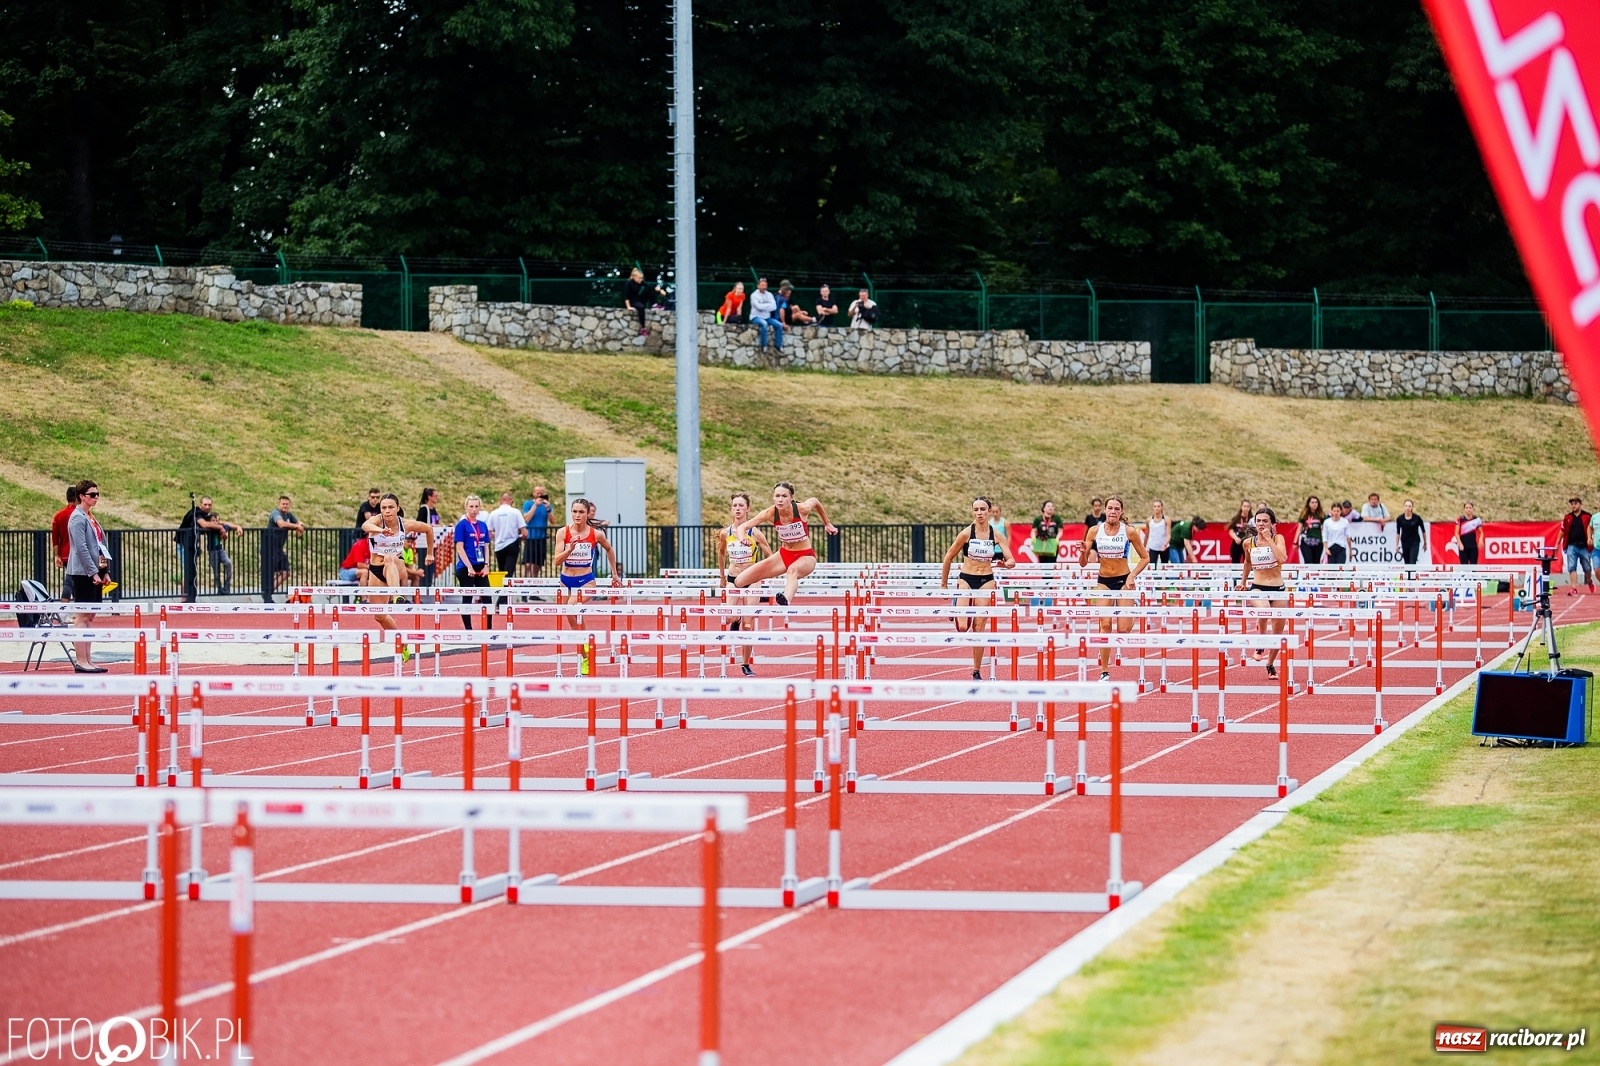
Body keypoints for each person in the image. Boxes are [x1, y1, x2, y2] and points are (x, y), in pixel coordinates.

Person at [940, 497, 1017, 679]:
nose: (979, 513)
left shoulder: (996, 535)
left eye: (983, 509)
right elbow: (948, 557)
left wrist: (1006, 564)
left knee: (979, 627)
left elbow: (1011, 560)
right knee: (962, 627)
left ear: (988, 511)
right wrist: (944, 585)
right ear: (972, 512)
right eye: (976, 510)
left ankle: (976, 670)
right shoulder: (966, 533)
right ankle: (957, 602)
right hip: (966, 578)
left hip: (986, 580)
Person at [733, 482, 838, 605]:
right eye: (777, 496)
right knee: (739, 581)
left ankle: (786, 599)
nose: (780, 500)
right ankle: (758, 596)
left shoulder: (802, 509)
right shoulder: (770, 513)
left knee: (792, 570)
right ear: (773, 497)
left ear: (791, 498)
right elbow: (743, 527)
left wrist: (827, 523)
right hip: (783, 556)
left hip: (805, 555)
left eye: (784, 496)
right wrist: (742, 538)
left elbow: (815, 501)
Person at [1081, 497, 1149, 681]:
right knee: (1105, 625)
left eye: (1116, 509)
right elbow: (1083, 563)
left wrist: (1132, 575)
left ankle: (1133, 605)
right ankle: (1104, 671)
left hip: (1123, 581)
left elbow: (1145, 558)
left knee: (1123, 630)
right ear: (1105, 510)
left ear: (1121, 512)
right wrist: (1082, 552)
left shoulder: (1129, 532)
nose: (1113, 511)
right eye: (1110, 508)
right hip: (1103, 581)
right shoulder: (1094, 531)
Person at [553, 498, 623, 673]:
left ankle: (586, 648)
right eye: (574, 511)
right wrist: (569, 550)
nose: (577, 515)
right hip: (566, 580)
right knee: (573, 620)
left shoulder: (596, 534)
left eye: (581, 512)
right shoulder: (563, 532)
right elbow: (556, 561)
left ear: (587, 514)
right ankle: (587, 654)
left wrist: (614, 573)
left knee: (571, 607)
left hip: (586, 580)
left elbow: (609, 549)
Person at [361, 493, 434, 636]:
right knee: (379, 615)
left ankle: (397, 595)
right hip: (376, 570)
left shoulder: (405, 525)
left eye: (391, 507)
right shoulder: (377, 521)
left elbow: (428, 529)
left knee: (389, 558)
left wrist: (430, 553)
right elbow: (365, 525)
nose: (387, 511)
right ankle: (400, 641)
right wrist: (381, 530)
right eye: (384, 508)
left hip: (396, 565)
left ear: (398, 508)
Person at [717, 492, 773, 676]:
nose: (738, 509)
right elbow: (721, 554)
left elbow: (770, 556)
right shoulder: (726, 533)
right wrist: (722, 576)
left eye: (741, 505)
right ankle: (736, 618)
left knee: (748, 625)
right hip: (733, 580)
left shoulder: (754, 533)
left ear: (748, 509)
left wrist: (764, 572)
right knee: (728, 618)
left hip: (752, 580)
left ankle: (745, 663)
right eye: (735, 505)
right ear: (731, 509)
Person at [65, 479, 110, 672]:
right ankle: (81, 660)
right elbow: (81, 548)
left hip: (95, 571)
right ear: (82, 496)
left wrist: (104, 571)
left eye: (97, 494)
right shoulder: (77, 518)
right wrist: (92, 572)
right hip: (83, 573)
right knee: (83, 615)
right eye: (92, 494)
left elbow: (100, 546)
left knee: (90, 615)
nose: (96, 497)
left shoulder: (90, 517)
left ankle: (88, 660)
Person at [1239, 506, 1289, 677]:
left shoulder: (1278, 538)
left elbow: (1282, 558)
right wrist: (1243, 582)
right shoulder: (1248, 543)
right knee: (1264, 610)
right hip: (1258, 586)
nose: (1261, 524)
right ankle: (1261, 641)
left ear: (1272, 524)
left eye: (1265, 521)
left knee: (1278, 632)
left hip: (1278, 588)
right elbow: (1247, 562)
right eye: (1258, 521)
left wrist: (1268, 539)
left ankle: (1270, 663)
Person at [454, 495, 494, 629]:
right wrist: (469, 567)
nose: (474, 509)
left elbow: (486, 547)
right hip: (466, 567)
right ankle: (468, 629)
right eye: (471, 506)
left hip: (480, 566)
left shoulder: (482, 525)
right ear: (466, 507)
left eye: (476, 506)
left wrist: (486, 565)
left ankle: (488, 628)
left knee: (487, 597)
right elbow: (459, 547)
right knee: (467, 597)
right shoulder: (462, 525)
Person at [197, 497, 241, 595]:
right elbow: (204, 527)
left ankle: (227, 584)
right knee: (216, 571)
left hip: (220, 550)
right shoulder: (209, 528)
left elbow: (227, 527)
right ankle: (219, 588)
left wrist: (236, 528)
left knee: (228, 563)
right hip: (212, 550)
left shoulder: (221, 527)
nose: (216, 522)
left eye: (217, 520)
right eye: (213, 520)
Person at [268, 495, 306, 596]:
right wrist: (297, 526)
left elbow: (298, 522)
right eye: (283, 504)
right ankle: (268, 594)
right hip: (269, 547)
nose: (285, 506)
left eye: (287, 504)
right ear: (279, 504)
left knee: (286, 572)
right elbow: (281, 524)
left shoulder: (289, 515)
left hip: (279, 548)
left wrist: (300, 525)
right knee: (270, 573)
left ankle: (269, 591)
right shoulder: (275, 513)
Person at [486, 491, 527, 579]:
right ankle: (508, 586)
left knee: (501, 570)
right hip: (512, 543)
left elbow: (488, 533)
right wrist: (521, 538)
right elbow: (524, 532)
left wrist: (497, 534)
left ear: (500, 500)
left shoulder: (493, 513)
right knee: (509, 570)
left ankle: (502, 586)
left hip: (499, 545)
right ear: (511, 500)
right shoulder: (515, 512)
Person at [1560, 496, 1594, 593]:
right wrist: (1557, 542)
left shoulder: (1587, 516)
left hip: (1584, 546)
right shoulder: (1568, 517)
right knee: (1571, 567)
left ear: (1580, 504)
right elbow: (1562, 530)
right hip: (1571, 545)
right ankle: (1574, 587)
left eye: (1575, 503)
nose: (1573, 505)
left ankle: (1589, 581)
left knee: (1587, 567)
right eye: (1572, 504)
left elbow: (1592, 528)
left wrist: (1591, 538)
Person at [51, 485, 78, 601]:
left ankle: (77, 607)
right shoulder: (80, 514)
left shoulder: (59, 515)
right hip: (77, 553)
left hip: (65, 553)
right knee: (71, 580)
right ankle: (64, 604)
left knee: (74, 581)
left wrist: (57, 555)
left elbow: (55, 537)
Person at [522, 486, 553, 577]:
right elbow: (526, 519)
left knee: (537, 564)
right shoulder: (528, 504)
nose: (539, 495)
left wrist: (548, 509)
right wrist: (535, 505)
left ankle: (534, 580)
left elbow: (553, 521)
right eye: (537, 493)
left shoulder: (547, 505)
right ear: (533, 493)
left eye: (541, 493)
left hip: (541, 538)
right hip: (530, 537)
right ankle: (525, 581)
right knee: (527, 563)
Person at [415, 488, 442, 588]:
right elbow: (418, 524)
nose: (437, 498)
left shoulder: (434, 510)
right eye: (435, 496)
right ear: (429, 497)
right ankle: (423, 586)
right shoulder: (424, 509)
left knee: (431, 566)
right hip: (423, 541)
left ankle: (429, 585)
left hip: (433, 540)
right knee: (424, 565)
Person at [623, 267, 660, 336]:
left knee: (649, 288)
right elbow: (626, 296)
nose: (641, 279)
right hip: (632, 301)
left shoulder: (640, 282)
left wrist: (659, 290)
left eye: (641, 278)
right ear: (634, 277)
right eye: (639, 278)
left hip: (639, 299)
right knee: (641, 307)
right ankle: (643, 328)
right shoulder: (629, 283)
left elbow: (649, 285)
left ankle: (654, 304)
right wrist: (628, 306)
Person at [749, 278, 783, 352]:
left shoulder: (769, 295)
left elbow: (774, 307)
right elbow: (758, 307)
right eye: (762, 285)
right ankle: (764, 345)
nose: (764, 287)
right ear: (758, 286)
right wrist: (768, 305)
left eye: (765, 285)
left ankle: (778, 345)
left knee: (779, 325)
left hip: (767, 317)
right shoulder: (754, 295)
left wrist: (763, 306)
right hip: (756, 317)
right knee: (764, 324)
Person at [1396, 500, 1427, 567]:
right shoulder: (1400, 519)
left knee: (1412, 562)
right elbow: (1398, 532)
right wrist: (1397, 545)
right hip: (1405, 542)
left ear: (1412, 507)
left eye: (1409, 506)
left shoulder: (1417, 518)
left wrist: (1425, 543)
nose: (1408, 508)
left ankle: (1412, 574)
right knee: (1407, 563)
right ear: (1404, 507)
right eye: (1406, 506)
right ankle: (1408, 574)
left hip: (1414, 542)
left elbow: (1423, 531)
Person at [1297, 496, 1327, 565]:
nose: (1314, 504)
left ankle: (1316, 572)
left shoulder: (1321, 515)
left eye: (1316, 502)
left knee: (1316, 562)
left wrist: (1325, 541)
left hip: (1318, 541)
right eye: (1312, 502)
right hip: (1306, 541)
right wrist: (1295, 541)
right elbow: (1299, 528)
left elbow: (1324, 528)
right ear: (1308, 504)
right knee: (1308, 561)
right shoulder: (1304, 514)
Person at [1142, 500, 1170, 568]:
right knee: (1152, 566)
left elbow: (1168, 535)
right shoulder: (1149, 520)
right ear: (1153, 508)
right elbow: (1147, 535)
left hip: (1164, 546)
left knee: (1164, 567)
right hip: (1153, 546)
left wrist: (1165, 544)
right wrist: (1143, 547)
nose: (1156, 508)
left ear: (1161, 507)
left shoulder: (1166, 519)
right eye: (1155, 506)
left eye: (1158, 506)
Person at [1227, 500, 1253, 564]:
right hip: (1237, 543)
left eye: (1248, 506)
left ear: (1250, 508)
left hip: (1247, 544)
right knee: (1235, 562)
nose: (1246, 508)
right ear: (1241, 507)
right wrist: (1235, 538)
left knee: (1247, 562)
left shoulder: (1252, 519)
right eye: (1244, 506)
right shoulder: (1236, 518)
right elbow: (1231, 530)